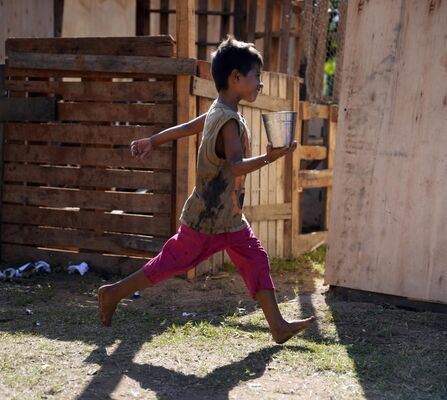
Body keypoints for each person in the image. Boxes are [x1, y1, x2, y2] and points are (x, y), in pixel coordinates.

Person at [98, 36, 315, 344]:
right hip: (205, 218)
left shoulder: (220, 110)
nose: (260, 84)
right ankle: (112, 293)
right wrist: (270, 157)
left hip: (228, 216)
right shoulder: (227, 122)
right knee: (170, 264)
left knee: (256, 258)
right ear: (236, 78)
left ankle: (277, 326)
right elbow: (236, 166)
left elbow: (187, 128)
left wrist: (153, 140)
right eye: (257, 77)